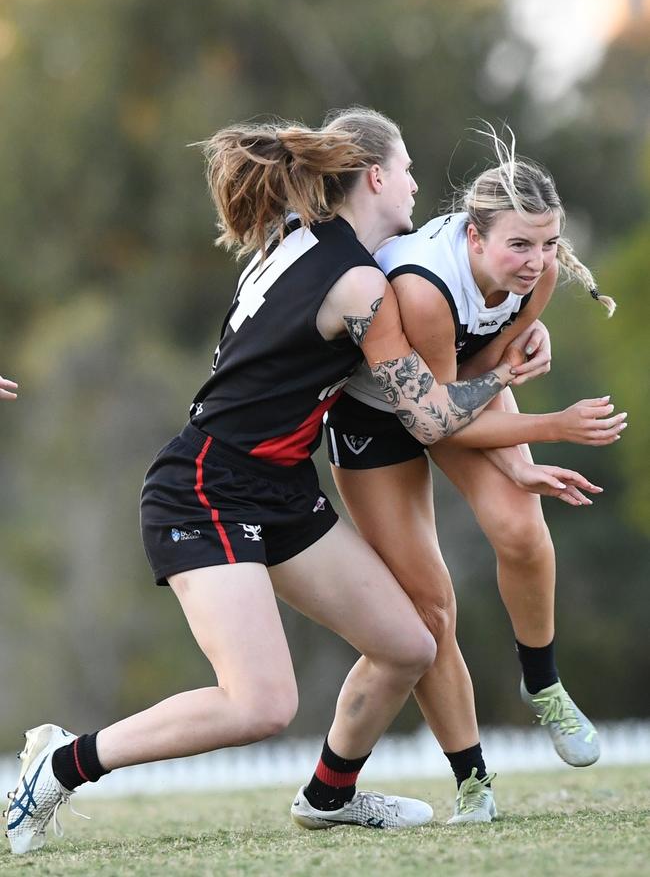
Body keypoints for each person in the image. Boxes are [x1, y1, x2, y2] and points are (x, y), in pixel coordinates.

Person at [5, 110, 544, 855]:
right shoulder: (358, 282)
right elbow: (428, 418)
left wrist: (503, 326)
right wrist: (506, 374)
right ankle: (59, 765)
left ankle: (330, 796)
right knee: (260, 705)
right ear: (378, 177)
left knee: (409, 644)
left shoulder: (297, 232)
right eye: (410, 168)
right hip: (206, 484)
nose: (419, 185)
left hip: (281, 486)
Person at [324, 121, 624, 824]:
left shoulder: (540, 274)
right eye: (519, 244)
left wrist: (520, 466)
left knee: (521, 527)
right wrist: (550, 430)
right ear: (473, 236)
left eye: (548, 244)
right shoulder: (425, 289)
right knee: (431, 611)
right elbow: (433, 417)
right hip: (380, 421)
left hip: (460, 393)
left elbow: (487, 375)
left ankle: (542, 684)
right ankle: (473, 783)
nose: (536, 261)